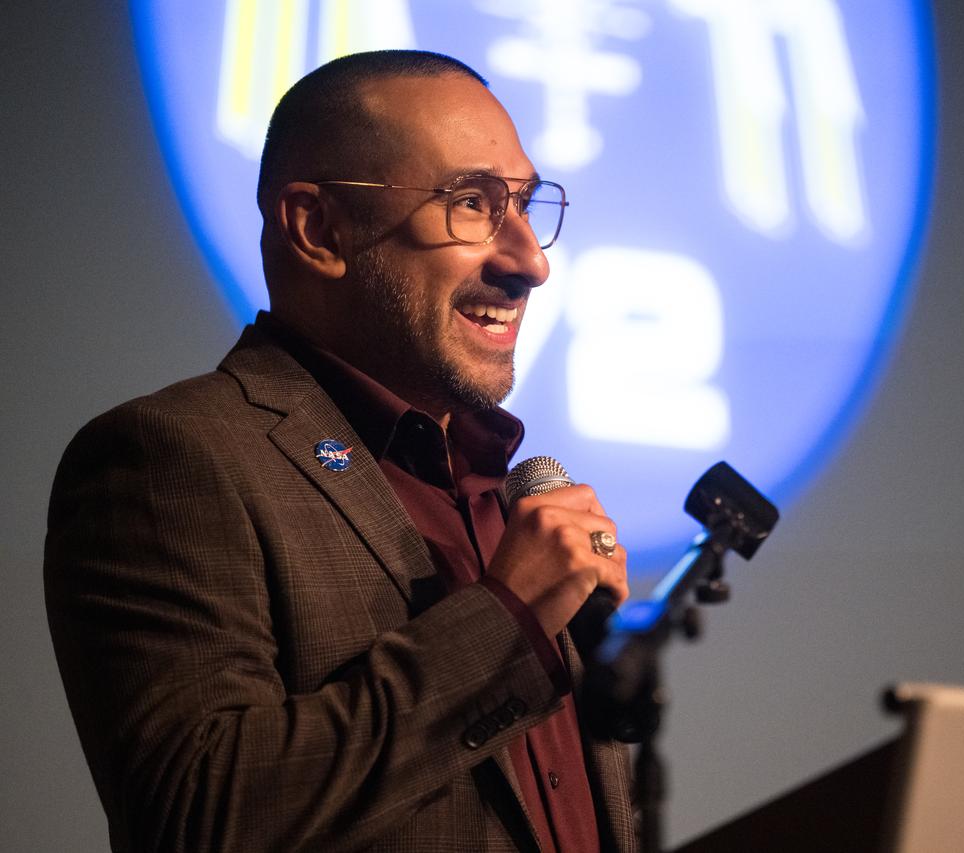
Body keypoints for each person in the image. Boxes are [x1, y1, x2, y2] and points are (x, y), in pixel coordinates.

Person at [44, 50, 635, 852]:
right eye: (471, 203)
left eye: (527, 207)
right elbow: (197, 815)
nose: (531, 260)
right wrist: (506, 625)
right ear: (318, 229)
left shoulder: (501, 494)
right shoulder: (174, 458)